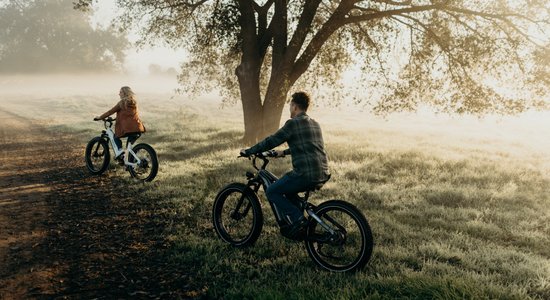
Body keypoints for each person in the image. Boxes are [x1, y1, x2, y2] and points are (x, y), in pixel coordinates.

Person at [241, 91, 330, 240]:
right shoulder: (315, 123)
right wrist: (283, 153)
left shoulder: (293, 124)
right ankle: (301, 224)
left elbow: (271, 141)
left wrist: (249, 151)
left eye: (290, 105)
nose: (290, 108)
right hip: (323, 172)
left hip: (305, 174)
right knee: (288, 191)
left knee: (272, 191)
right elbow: (310, 145)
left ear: (294, 106)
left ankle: (298, 220)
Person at [94, 86, 146, 163]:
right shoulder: (134, 102)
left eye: (120, 92)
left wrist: (100, 117)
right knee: (129, 148)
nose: (119, 94)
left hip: (128, 128)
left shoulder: (122, 102)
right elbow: (129, 115)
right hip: (137, 128)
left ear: (125, 93)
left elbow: (110, 112)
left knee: (115, 137)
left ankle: (120, 153)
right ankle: (129, 162)